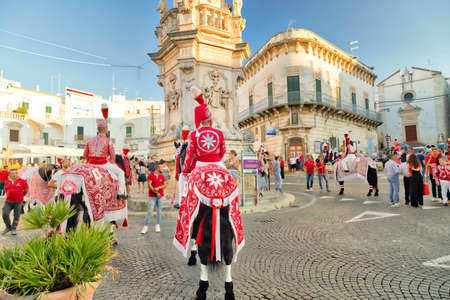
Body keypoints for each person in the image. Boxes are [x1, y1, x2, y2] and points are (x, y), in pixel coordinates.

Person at [83, 112, 126, 199]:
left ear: (97, 129)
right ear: (106, 129)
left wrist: (89, 162)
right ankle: (121, 193)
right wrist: (110, 162)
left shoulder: (89, 140)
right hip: (102, 163)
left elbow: (85, 155)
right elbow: (113, 157)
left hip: (90, 163)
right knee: (121, 172)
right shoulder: (108, 141)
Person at [141, 162, 166, 234]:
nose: (162, 169)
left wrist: (160, 187)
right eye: (161, 168)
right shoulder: (151, 175)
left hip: (160, 196)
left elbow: (164, 185)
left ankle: (157, 225)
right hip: (152, 196)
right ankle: (145, 227)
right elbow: (149, 185)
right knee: (150, 211)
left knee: (159, 211)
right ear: (157, 168)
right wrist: (156, 192)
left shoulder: (162, 176)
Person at [2, 169, 28, 235]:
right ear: (10, 175)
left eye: (15, 173)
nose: (14, 174)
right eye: (12, 173)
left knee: (16, 215)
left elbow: (26, 190)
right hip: (8, 201)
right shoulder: (7, 181)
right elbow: (6, 189)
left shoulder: (22, 181)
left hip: (18, 201)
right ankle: (8, 227)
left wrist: (21, 195)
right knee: (4, 214)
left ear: (17, 174)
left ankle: (13, 228)